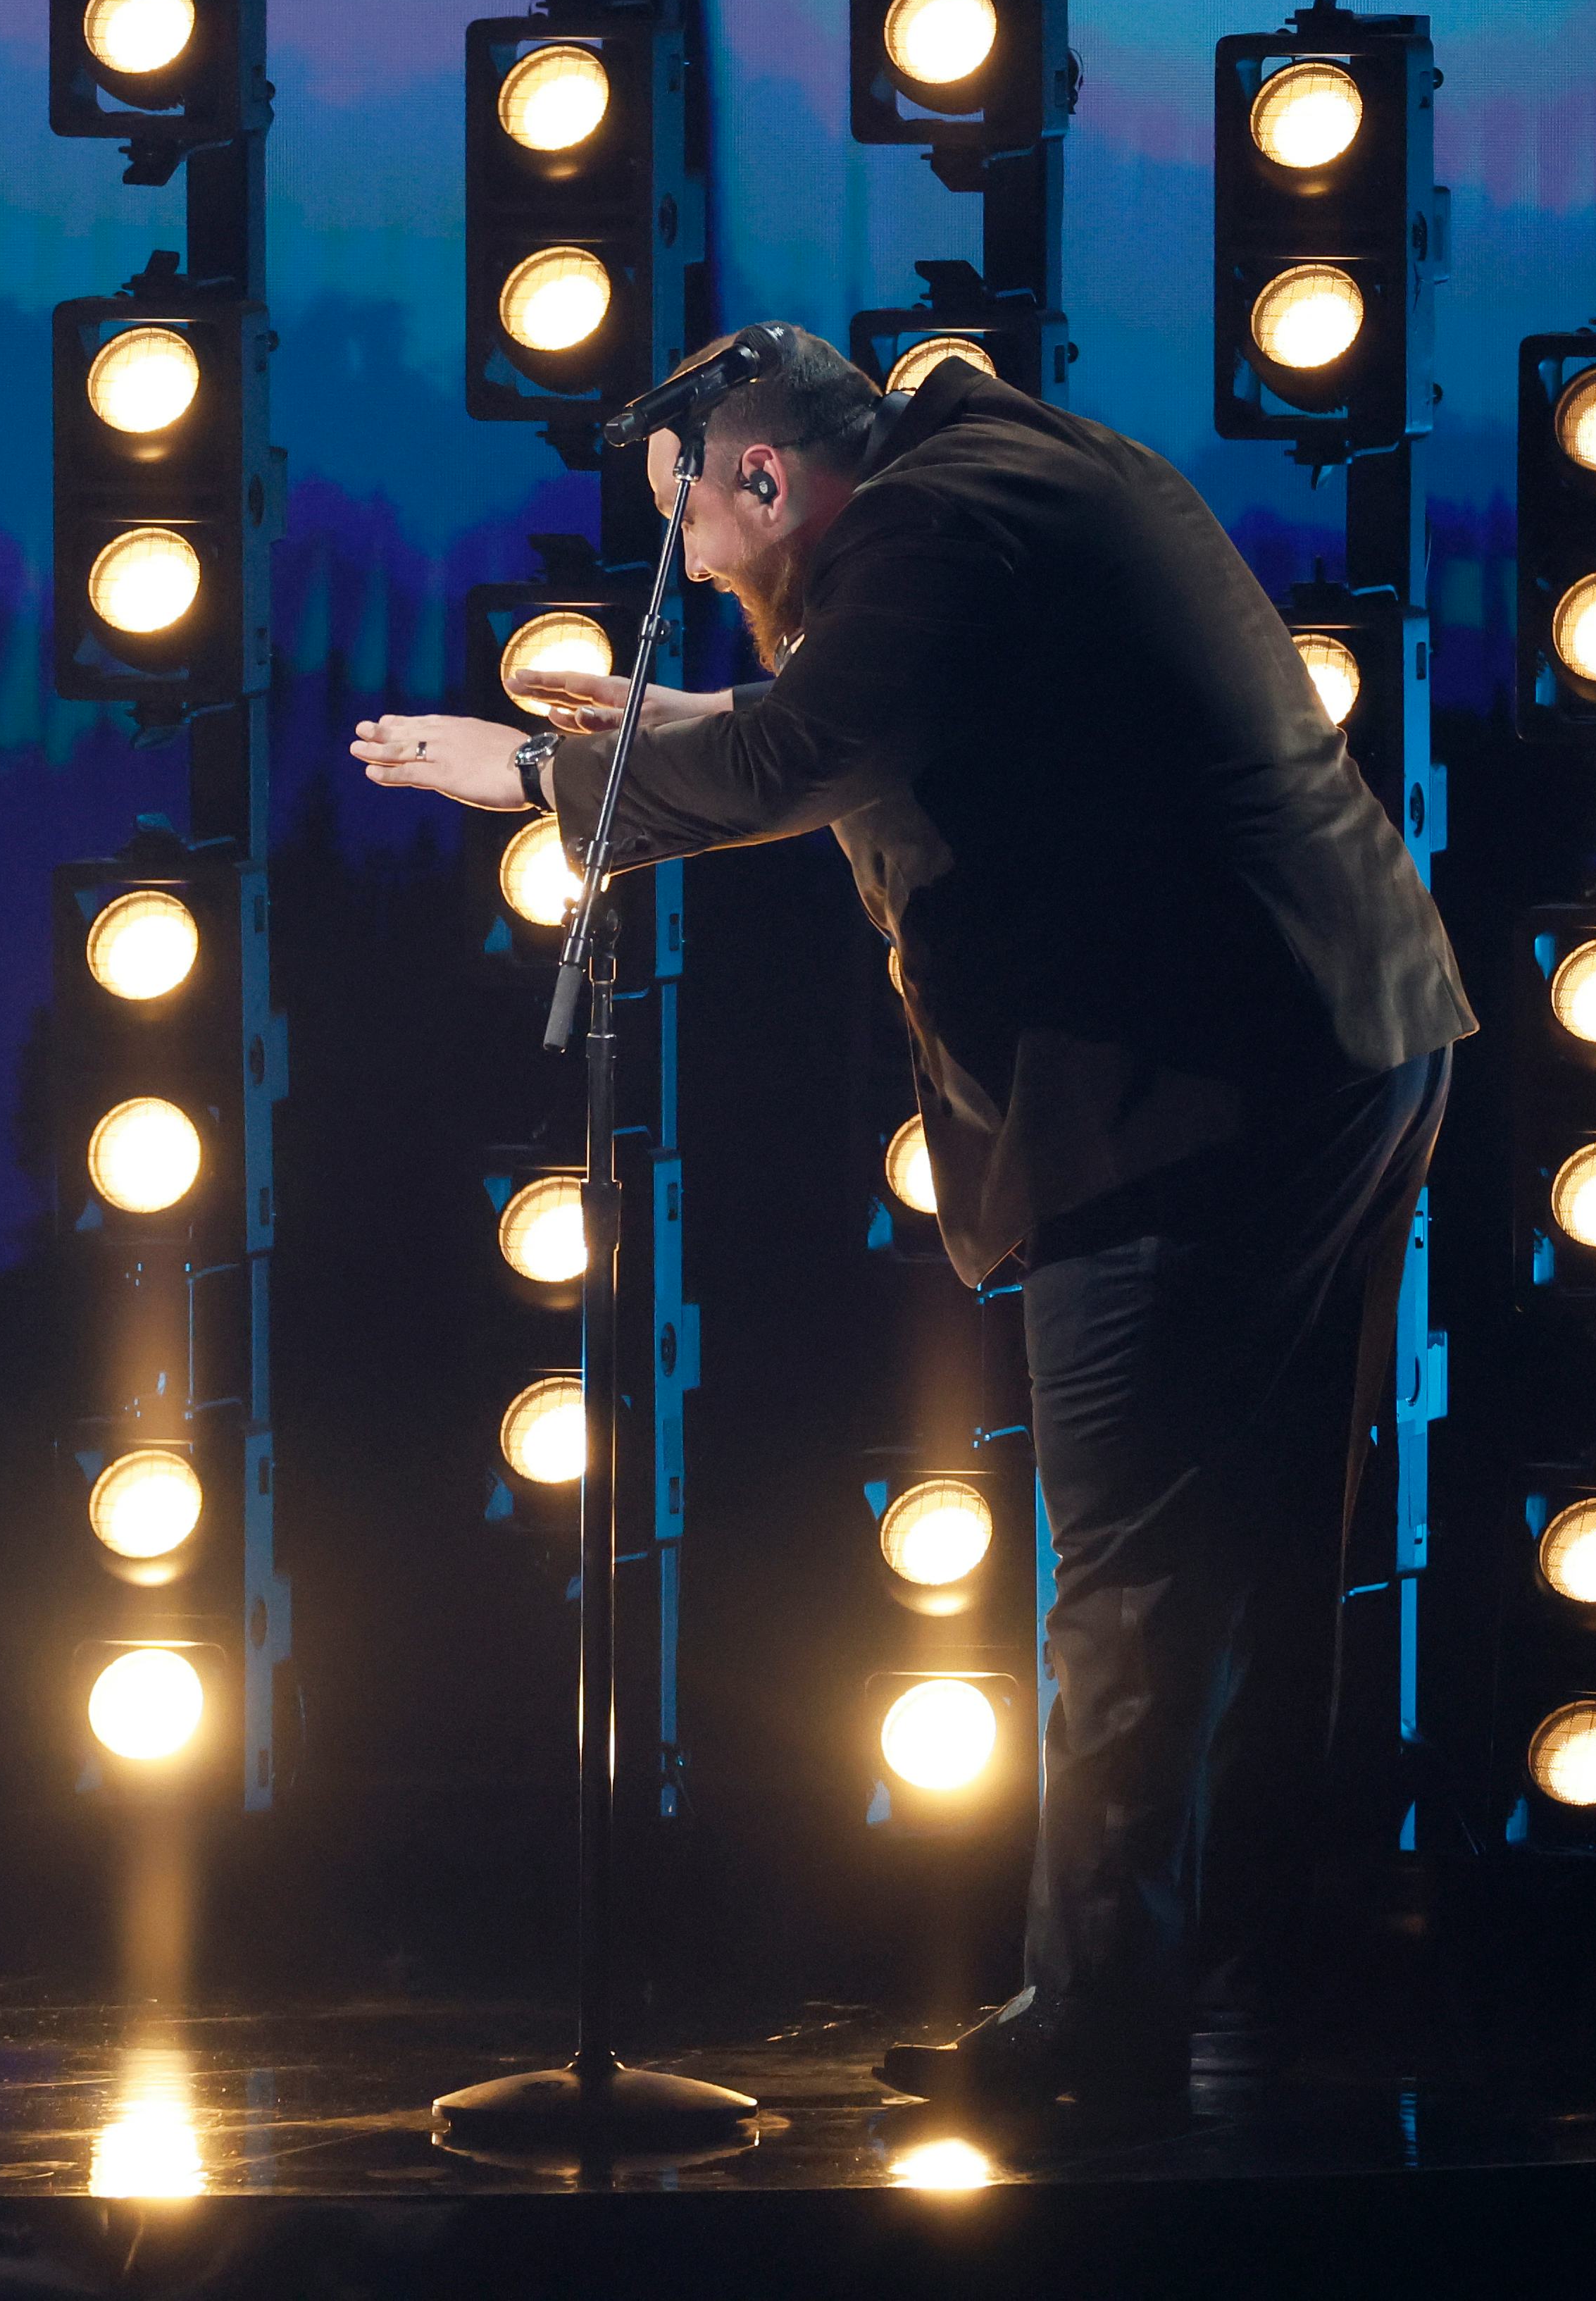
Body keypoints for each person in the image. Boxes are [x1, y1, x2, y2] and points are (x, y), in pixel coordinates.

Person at [350, 328, 1473, 2109]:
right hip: (1326, 1043)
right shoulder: (992, 485)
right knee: (1249, 1545)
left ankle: (1098, 2021)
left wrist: (537, 779)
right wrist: (672, 730)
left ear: (770, 479)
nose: (692, 572)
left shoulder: (941, 534)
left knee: (1129, 1568)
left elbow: (815, 746)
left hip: (1190, 1090)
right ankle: (1255, 1968)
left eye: (690, 531)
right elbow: (865, 723)